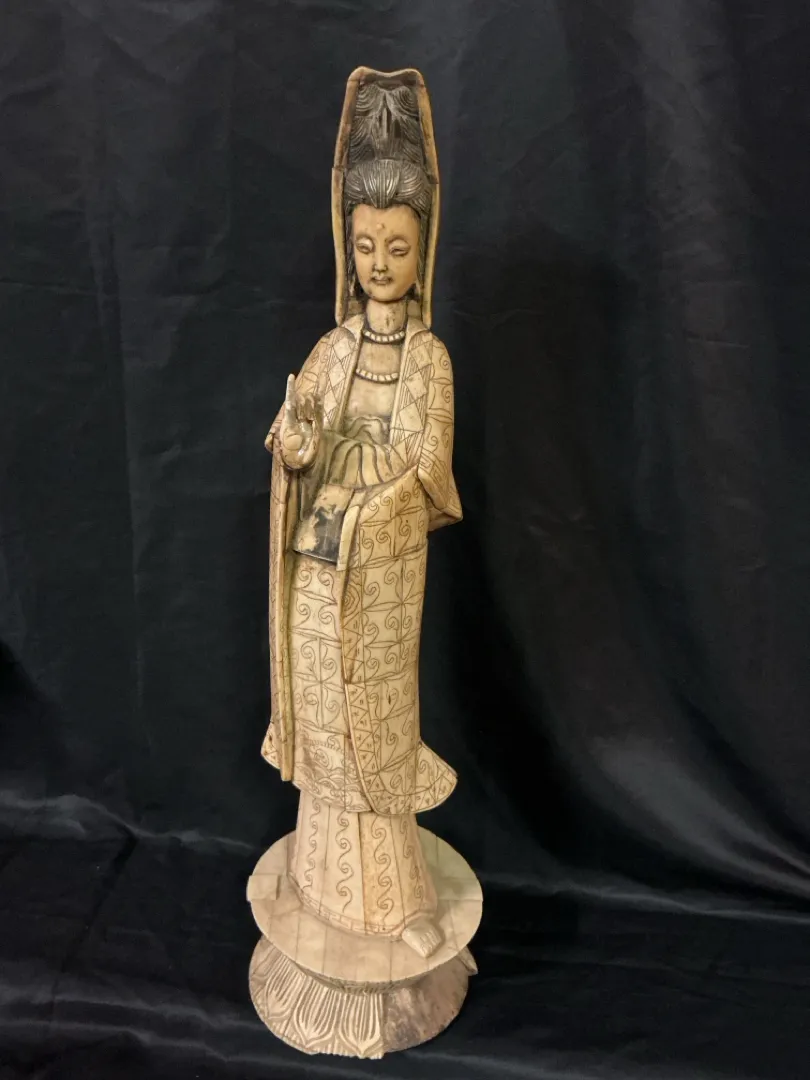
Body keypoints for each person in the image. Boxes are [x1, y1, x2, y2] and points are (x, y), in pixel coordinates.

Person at [262, 71, 461, 958]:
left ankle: (395, 904)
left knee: (374, 731)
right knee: (323, 728)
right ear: (349, 248)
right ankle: (319, 882)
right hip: (316, 568)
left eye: (398, 246)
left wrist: (378, 488)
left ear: (423, 253)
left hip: (377, 576)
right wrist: (299, 445)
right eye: (367, 244)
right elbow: (294, 440)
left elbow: (431, 474)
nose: (380, 263)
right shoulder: (332, 348)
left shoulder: (430, 361)